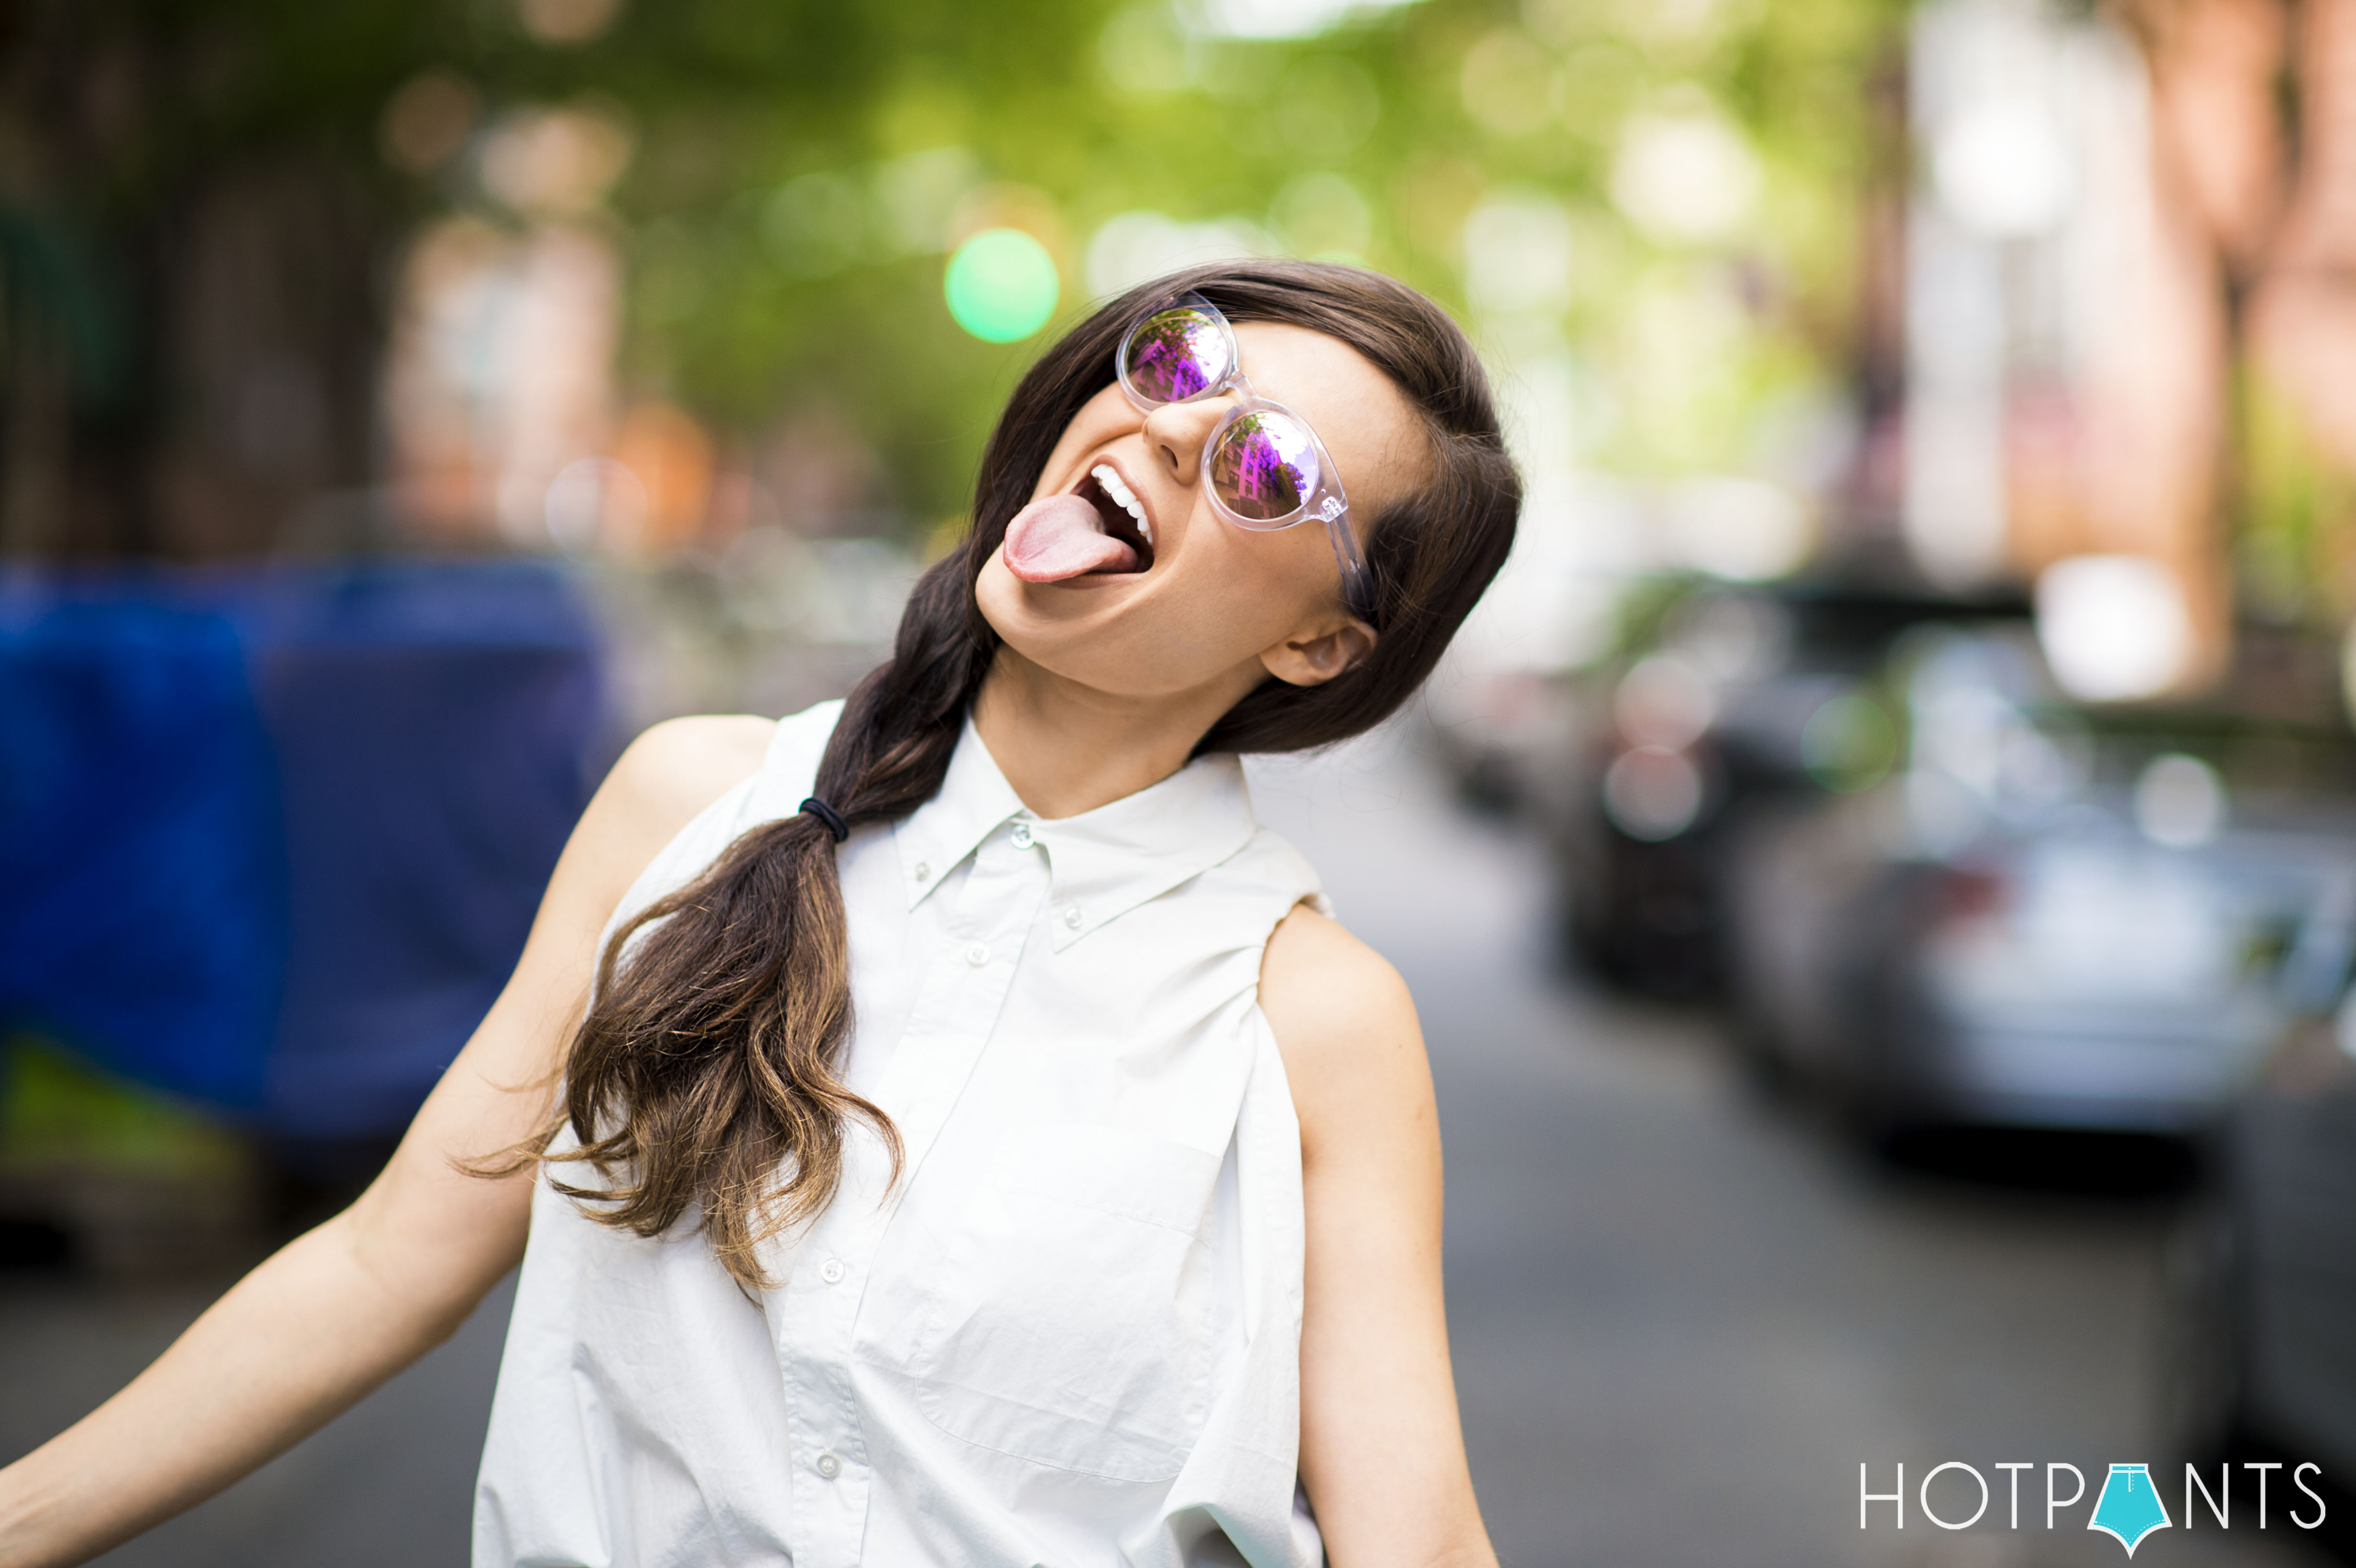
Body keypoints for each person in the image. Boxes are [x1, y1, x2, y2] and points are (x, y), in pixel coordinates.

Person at [0, 259, 1521, 1568]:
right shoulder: (695, 811)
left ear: (1324, 644)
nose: (1178, 424)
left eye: (1266, 468)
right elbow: (387, 1261)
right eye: (1186, 361)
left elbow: (1418, 1535)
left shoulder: (1305, 1015)